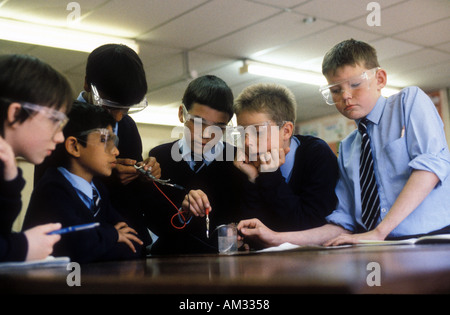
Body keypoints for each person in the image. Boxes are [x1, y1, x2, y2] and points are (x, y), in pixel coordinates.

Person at [238, 39, 450, 248]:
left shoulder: (408, 102)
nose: (346, 96)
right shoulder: (348, 147)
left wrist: (378, 232)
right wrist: (275, 237)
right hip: (381, 246)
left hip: (430, 240)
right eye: (335, 90)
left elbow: (429, 168)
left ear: (380, 79)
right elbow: (344, 223)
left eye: (355, 84)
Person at [35, 44, 160, 248]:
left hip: (127, 242)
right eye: (111, 107)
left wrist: (145, 177)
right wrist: (109, 177)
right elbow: (48, 194)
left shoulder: (127, 127)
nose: (118, 117)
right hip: (80, 243)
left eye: (125, 109)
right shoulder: (59, 124)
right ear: (87, 84)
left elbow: (136, 198)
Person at [24, 101, 144, 263]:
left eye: (113, 142)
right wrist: (113, 234)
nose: (115, 151)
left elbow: (134, 242)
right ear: (74, 146)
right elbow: (77, 248)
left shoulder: (98, 190)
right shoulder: (53, 189)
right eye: (104, 140)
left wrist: (98, 240)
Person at [145, 75, 244, 254]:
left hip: (225, 266)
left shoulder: (238, 160)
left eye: (219, 127)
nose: (207, 135)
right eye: (198, 122)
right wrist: (183, 213)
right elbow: (153, 222)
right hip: (170, 263)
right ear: (181, 113)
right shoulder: (160, 157)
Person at [233, 83, 338, 232]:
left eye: (257, 132)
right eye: (242, 133)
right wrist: (253, 179)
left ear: (286, 131)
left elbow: (308, 225)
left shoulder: (316, 154)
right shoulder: (246, 164)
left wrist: (270, 175)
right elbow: (249, 231)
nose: (246, 142)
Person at [0, 54, 73, 261]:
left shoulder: (5, 165)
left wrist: (11, 180)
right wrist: (22, 247)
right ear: (15, 114)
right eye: (54, 120)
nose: (59, 136)